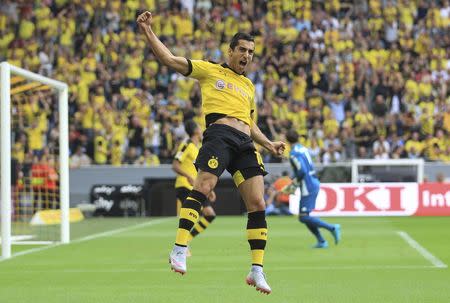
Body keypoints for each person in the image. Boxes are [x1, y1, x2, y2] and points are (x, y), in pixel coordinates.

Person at [137, 11, 286, 295]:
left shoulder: (249, 86)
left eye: (251, 52)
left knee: (258, 202)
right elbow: (169, 59)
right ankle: (180, 249)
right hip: (219, 136)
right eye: (242, 49)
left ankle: (257, 270)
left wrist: (268, 144)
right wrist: (147, 31)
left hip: (245, 144)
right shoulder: (210, 70)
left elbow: (249, 121)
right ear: (230, 51)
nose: (247, 55)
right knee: (203, 186)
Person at [285, 130, 341, 248]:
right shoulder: (303, 148)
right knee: (305, 216)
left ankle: (332, 228)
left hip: (308, 185)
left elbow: (302, 171)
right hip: (313, 181)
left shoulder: (293, 154)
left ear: (287, 141)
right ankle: (321, 241)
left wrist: (293, 184)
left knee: (304, 217)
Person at [172, 120, 216, 252]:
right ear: (195, 130)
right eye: (198, 126)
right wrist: (188, 176)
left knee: (210, 215)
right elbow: (175, 165)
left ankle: (185, 242)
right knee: (191, 215)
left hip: (196, 187)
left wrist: (209, 188)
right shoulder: (186, 144)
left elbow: (198, 171)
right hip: (184, 185)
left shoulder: (198, 147)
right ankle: (181, 246)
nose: (200, 127)